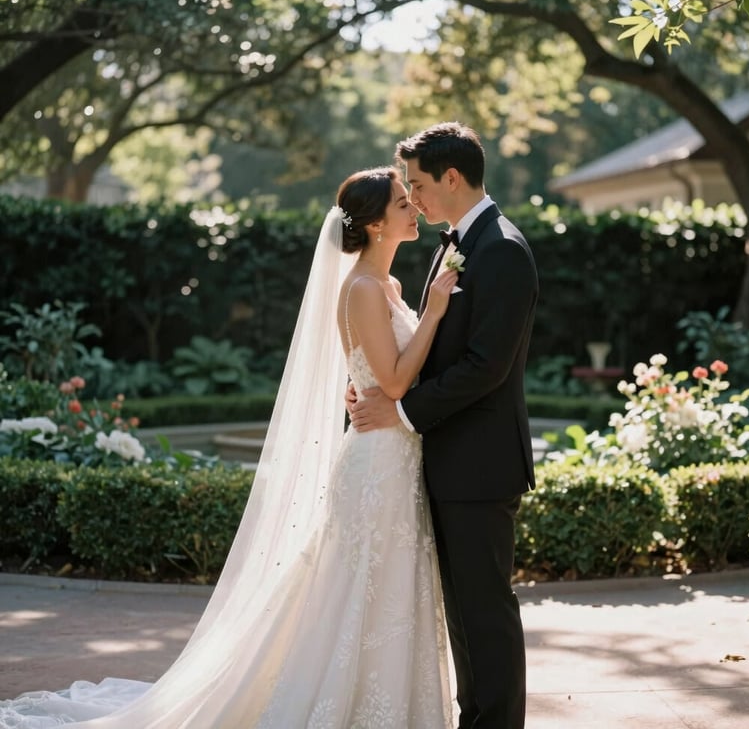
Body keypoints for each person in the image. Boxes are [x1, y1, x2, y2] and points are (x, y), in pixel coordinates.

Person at [0, 167, 458, 728]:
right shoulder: (362, 288)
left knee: (385, 589)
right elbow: (390, 384)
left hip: (395, 457)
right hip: (374, 465)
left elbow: (370, 376)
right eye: (401, 201)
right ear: (374, 224)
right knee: (357, 591)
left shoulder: (386, 287)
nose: (413, 205)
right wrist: (434, 313)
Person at [347, 123, 539, 729]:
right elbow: (427, 347)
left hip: (480, 465)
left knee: (486, 609)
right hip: (442, 459)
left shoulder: (502, 249)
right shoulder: (455, 242)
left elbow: (486, 366)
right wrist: (369, 386)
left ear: (452, 178)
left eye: (420, 184)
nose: (415, 196)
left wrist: (399, 410)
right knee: (461, 611)